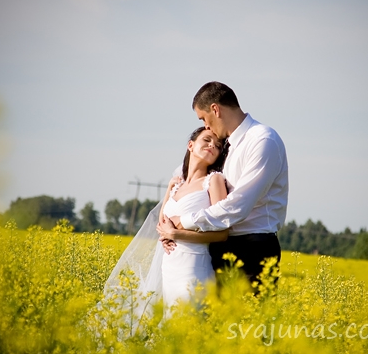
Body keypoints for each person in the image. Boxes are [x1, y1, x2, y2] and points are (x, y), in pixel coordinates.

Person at [157, 81, 288, 286]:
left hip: (252, 249)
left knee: (248, 317)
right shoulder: (225, 146)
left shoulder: (262, 140)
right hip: (217, 248)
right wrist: (171, 231)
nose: (206, 127)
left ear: (215, 109)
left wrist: (184, 222)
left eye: (204, 118)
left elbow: (239, 205)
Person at [103, 126, 229, 314]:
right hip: (169, 267)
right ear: (190, 145)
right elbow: (162, 223)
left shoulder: (214, 180)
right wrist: (169, 189)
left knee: (188, 322)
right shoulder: (176, 184)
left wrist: (176, 234)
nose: (213, 146)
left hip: (193, 267)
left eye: (218, 146)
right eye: (207, 140)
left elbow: (222, 234)